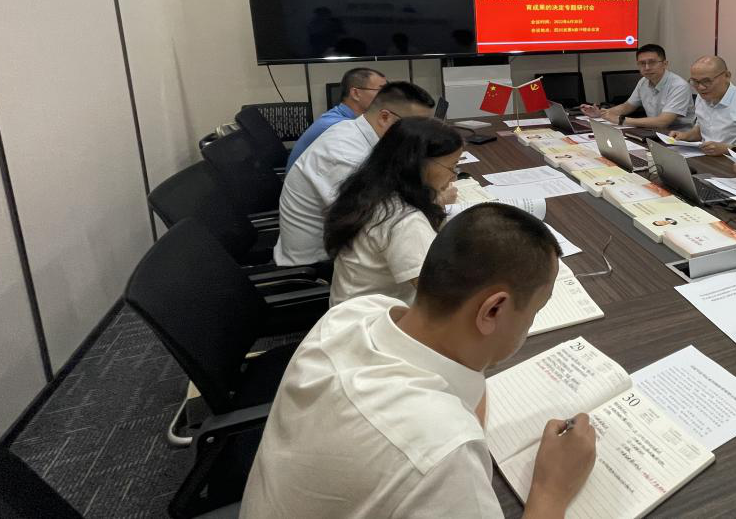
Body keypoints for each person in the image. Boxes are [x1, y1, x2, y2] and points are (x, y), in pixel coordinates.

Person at [242, 203, 597, 519]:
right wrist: (550, 493)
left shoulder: (354, 314)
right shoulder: (444, 458)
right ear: (493, 310)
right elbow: (442, 448)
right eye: (535, 310)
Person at [274, 81, 435, 266]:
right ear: (385, 117)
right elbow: (382, 222)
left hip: (343, 246)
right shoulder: (344, 155)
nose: (424, 137)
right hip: (318, 265)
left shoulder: (354, 130)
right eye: (418, 127)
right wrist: (433, 198)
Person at [324, 118, 464, 306]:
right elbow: (441, 298)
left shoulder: (370, 190)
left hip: (349, 311)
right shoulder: (405, 221)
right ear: (419, 164)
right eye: (452, 167)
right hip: (375, 320)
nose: (454, 176)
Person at [669, 55, 736, 156]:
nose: (700, 87)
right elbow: (702, 128)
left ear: (727, 76)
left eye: (706, 81)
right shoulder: (701, 97)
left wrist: (729, 148)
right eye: (695, 81)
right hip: (705, 156)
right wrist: (686, 136)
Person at [286, 67, 386, 168]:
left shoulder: (342, 117)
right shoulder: (339, 126)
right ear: (356, 94)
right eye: (382, 90)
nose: (388, 96)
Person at [579, 43, 692, 130]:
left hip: (679, 139)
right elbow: (627, 106)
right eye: (642, 63)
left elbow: (663, 122)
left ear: (665, 64)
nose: (647, 67)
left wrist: (622, 120)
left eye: (652, 62)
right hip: (655, 133)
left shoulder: (679, 86)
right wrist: (601, 113)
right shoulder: (643, 81)